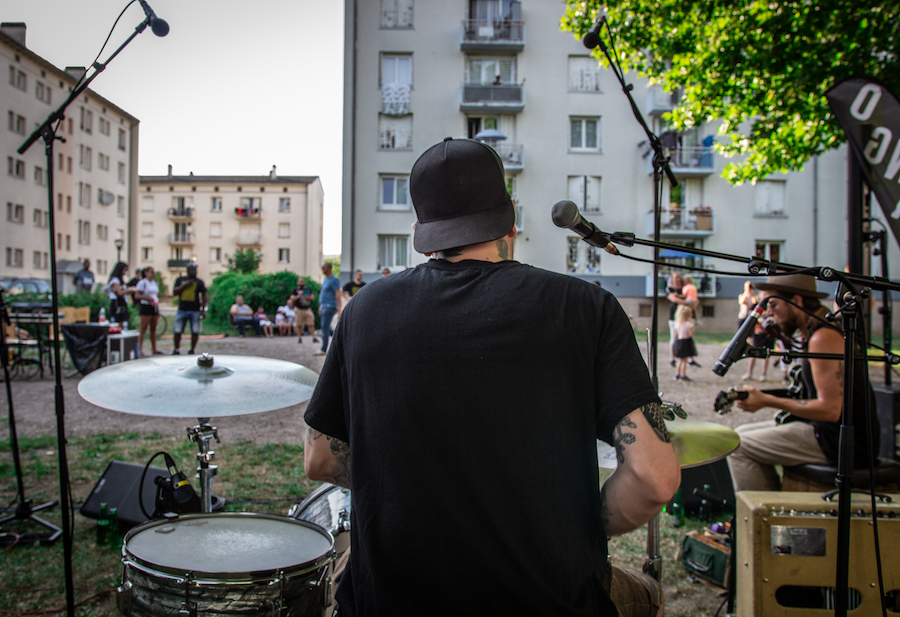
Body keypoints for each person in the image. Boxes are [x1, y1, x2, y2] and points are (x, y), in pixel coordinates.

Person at [304, 138, 680, 617]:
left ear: (421, 230)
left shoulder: (362, 312)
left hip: (393, 602)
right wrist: (578, 524)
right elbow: (655, 478)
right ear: (511, 219)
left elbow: (320, 460)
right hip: (550, 599)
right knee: (646, 594)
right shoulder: (584, 307)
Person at [727, 273, 880, 492]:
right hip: (825, 432)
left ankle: (761, 520)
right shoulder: (814, 332)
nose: (768, 312)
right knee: (737, 433)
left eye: (773, 304)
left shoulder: (823, 338)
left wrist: (767, 401)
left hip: (841, 444)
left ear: (797, 301)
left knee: (737, 445)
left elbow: (830, 410)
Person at [171, 264, 207, 355]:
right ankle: (176, 349)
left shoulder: (199, 282)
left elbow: (204, 296)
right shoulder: (180, 280)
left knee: (195, 331)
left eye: (195, 270)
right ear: (187, 270)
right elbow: (175, 292)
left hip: (195, 310)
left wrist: (202, 310)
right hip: (182, 309)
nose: (194, 272)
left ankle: (192, 350)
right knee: (177, 330)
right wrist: (185, 285)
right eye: (192, 270)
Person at [665, 272, 696, 367]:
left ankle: (690, 359)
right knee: (674, 338)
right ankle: (672, 359)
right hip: (674, 317)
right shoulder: (670, 289)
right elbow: (673, 299)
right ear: (672, 279)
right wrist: (687, 303)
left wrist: (692, 304)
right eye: (675, 277)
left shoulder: (684, 288)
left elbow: (693, 298)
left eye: (679, 277)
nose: (678, 279)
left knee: (687, 337)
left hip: (685, 317)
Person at [134, 267, 162, 356]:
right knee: (143, 328)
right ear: (146, 273)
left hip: (154, 306)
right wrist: (147, 298)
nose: (153, 274)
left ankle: (154, 348)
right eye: (151, 272)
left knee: (153, 328)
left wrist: (157, 308)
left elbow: (156, 296)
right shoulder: (142, 283)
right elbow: (137, 295)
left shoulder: (155, 283)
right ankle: (140, 349)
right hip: (145, 306)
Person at [314, 262, 340, 356]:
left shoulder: (334, 280)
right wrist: (321, 305)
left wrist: (339, 308)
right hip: (324, 306)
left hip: (330, 306)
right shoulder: (326, 279)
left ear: (329, 268)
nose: (322, 270)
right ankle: (341, 337)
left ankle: (323, 349)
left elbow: (338, 294)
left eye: (324, 268)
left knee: (324, 328)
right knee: (326, 328)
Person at [673, 304, 696, 381]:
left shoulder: (677, 324)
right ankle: (683, 375)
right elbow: (691, 334)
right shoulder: (689, 324)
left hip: (679, 342)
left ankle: (677, 374)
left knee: (680, 360)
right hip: (686, 342)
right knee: (684, 360)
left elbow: (676, 334)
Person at [290, 278, 317, 343]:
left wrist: (308, 298)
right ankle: (299, 338)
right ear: (297, 282)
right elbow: (292, 298)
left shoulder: (308, 289)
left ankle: (314, 337)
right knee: (299, 324)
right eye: (300, 281)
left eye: (302, 281)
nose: (301, 282)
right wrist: (298, 296)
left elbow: (313, 297)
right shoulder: (295, 290)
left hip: (307, 309)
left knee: (311, 324)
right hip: (299, 309)